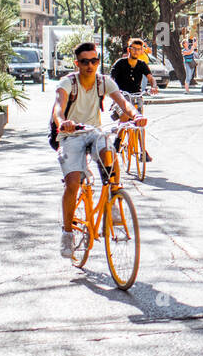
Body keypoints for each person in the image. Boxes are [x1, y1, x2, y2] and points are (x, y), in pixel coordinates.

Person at [52, 41, 146, 258]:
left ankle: (113, 201)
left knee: (108, 152)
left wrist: (136, 115)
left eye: (94, 61)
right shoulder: (68, 83)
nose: (90, 65)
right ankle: (67, 234)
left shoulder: (103, 82)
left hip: (94, 131)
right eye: (85, 62)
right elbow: (58, 106)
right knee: (73, 182)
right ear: (77, 63)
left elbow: (124, 103)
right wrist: (63, 121)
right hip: (71, 135)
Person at [110, 37, 159, 161]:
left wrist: (153, 86)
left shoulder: (142, 65)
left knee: (139, 122)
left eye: (139, 49)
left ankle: (143, 150)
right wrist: (114, 90)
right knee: (125, 116)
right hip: (122, 96)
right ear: (129, 50)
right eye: (134, 49)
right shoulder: (120, 63)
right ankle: (118, 140)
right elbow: (111, 79)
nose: (136, 52)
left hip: (136, 95)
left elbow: (150, 78)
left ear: (142, 51)